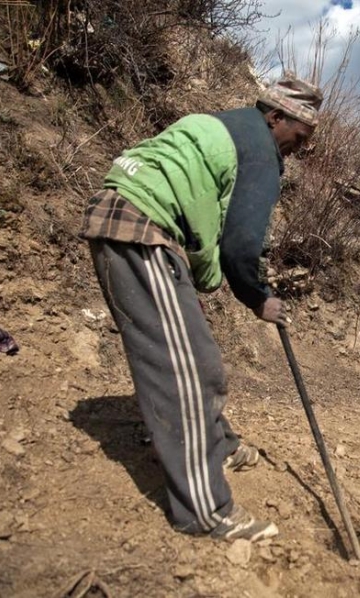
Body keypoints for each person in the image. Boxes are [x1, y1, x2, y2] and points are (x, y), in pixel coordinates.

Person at [80, 76, 323, 541]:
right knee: (184, 368)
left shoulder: (223, 127)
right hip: (140, 230)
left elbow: (205, 222)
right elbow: (239, 246)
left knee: (196, 353)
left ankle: (219, 445)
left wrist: (216, 277)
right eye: (301, 137)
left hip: (133, 224)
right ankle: (204, 510)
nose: (300, 148)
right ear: (277, 118)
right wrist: (259, 298)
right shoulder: (260, 152)